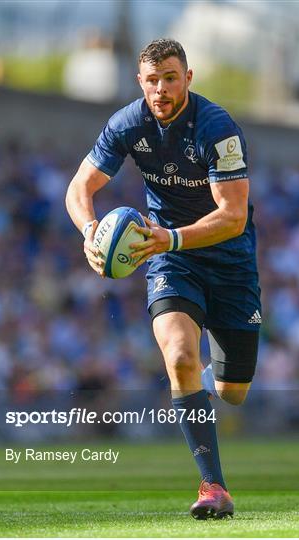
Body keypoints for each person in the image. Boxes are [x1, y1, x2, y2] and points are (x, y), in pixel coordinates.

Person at [65, 38, 261, 520]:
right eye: (152, 80)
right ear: (140, 82)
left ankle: (214, 373)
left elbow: (233, 216)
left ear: (188, 78)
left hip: (229, 262)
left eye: (170, 77)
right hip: (170, 259)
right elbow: (79, 187)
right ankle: (213, 485)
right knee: (177, 357)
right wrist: (91, 231)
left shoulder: (216, 127)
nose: (161, 89)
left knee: (233, 393)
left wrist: (170, 238)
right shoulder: (128, 123)